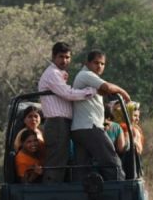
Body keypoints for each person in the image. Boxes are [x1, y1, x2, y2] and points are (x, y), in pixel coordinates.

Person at [37, 42, 97, 183]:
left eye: (67, 57)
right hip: (56, 123)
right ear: (53, 57)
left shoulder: (59, 74)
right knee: (56, 162)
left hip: (63, 123)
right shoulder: (52, 73)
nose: (64, 60)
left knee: (64, 160)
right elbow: (68, 94)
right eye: (61, 57)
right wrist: (91, 91)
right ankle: (51, 196)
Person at [70, 50, 131, 181]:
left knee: (82, 168)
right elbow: (108, 87)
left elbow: (104, 90)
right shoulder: (86, 74)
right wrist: (123, 92)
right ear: (87, 63)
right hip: (89, 127)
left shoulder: (89, 78)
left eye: (102, 64)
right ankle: (121, 192)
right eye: (96, 63)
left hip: (80, 128)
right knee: (112, 162)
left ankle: (82, 198)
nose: (99, 66)